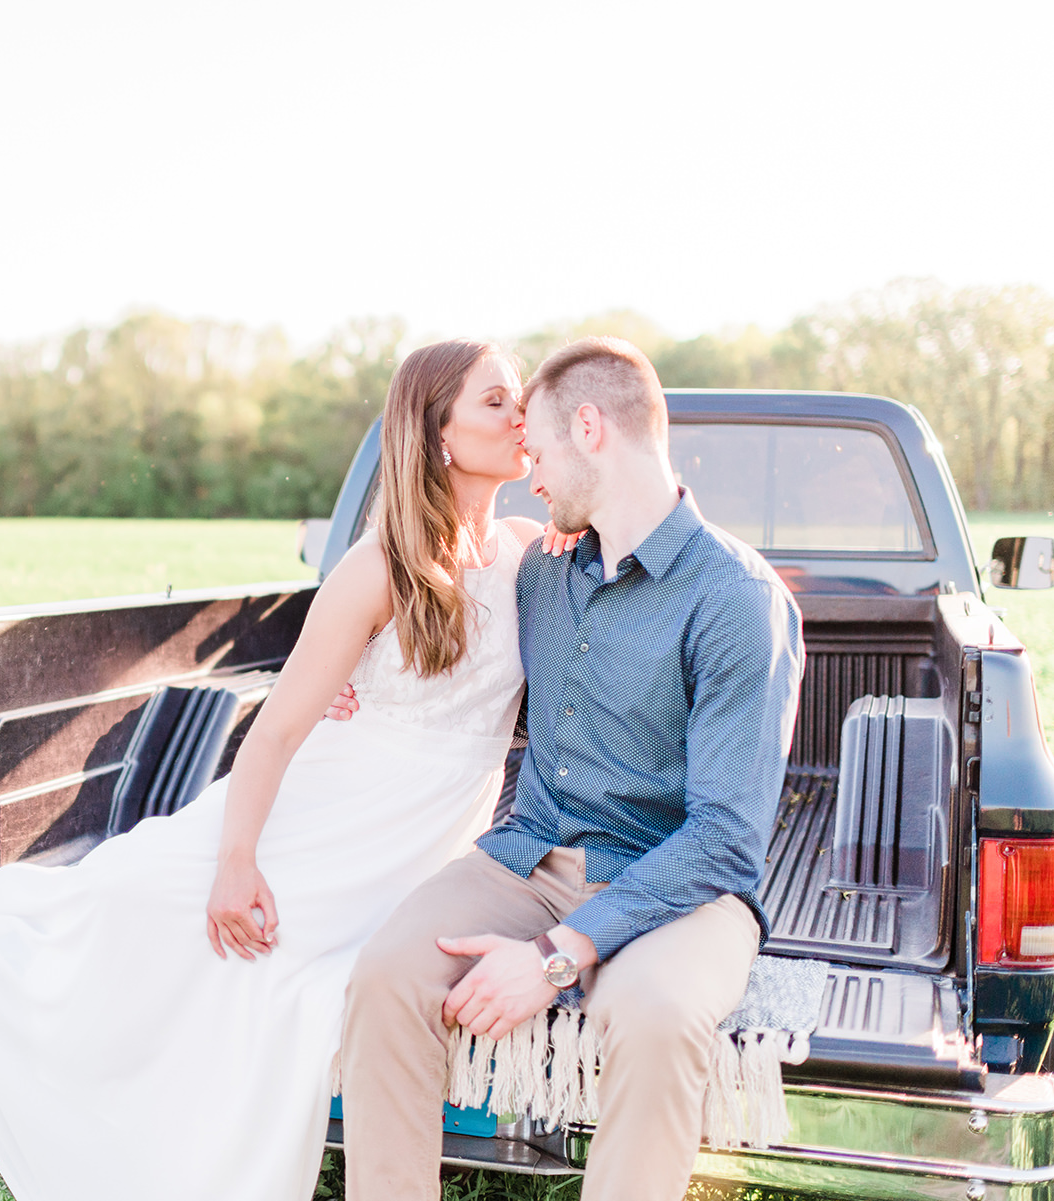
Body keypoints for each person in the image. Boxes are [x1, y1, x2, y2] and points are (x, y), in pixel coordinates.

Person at [0, 339, 566, 1201]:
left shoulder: (534, 549)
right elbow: (279, 729)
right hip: (324, 814)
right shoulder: (378, 567)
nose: (521, 415)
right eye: (496, 401)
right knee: (132, 915)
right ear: (438, 432)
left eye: (521, 397)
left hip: (417, 842)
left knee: (292, 985)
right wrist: (236, 863)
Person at [330, 336, 806, 1201]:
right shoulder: (541, 571)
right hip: (530, 858)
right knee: (389, 973)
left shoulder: (737, 598)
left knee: (656, 1018)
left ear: (590, 428)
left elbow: (726, 841)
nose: (531, 472)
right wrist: (348, 687)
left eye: (539, 451)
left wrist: (553, 957)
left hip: (680, 889)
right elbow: (430, 613)